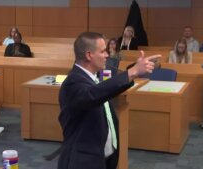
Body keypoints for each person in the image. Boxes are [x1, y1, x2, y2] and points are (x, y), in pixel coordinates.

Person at [58, 32, 160, 169]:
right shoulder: (73, 82)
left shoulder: (92, 77)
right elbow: (93, 95)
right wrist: (132, 72)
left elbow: (109, 87)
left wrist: (134, 70)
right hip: (82, 161)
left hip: (100, 158)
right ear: (89, 55)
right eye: (103, 51)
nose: (107, 55)